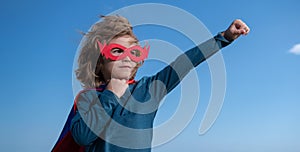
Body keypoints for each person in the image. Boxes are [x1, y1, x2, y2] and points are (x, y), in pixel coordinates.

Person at [52, 15, 250, 152]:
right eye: (117, 51)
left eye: (134, 52)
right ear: (101, 57)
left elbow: (186, 62)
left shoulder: (149, 88)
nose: (126, 57)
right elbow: (83, 137)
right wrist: (111, 93)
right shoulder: (88, 97)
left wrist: (223, 38)